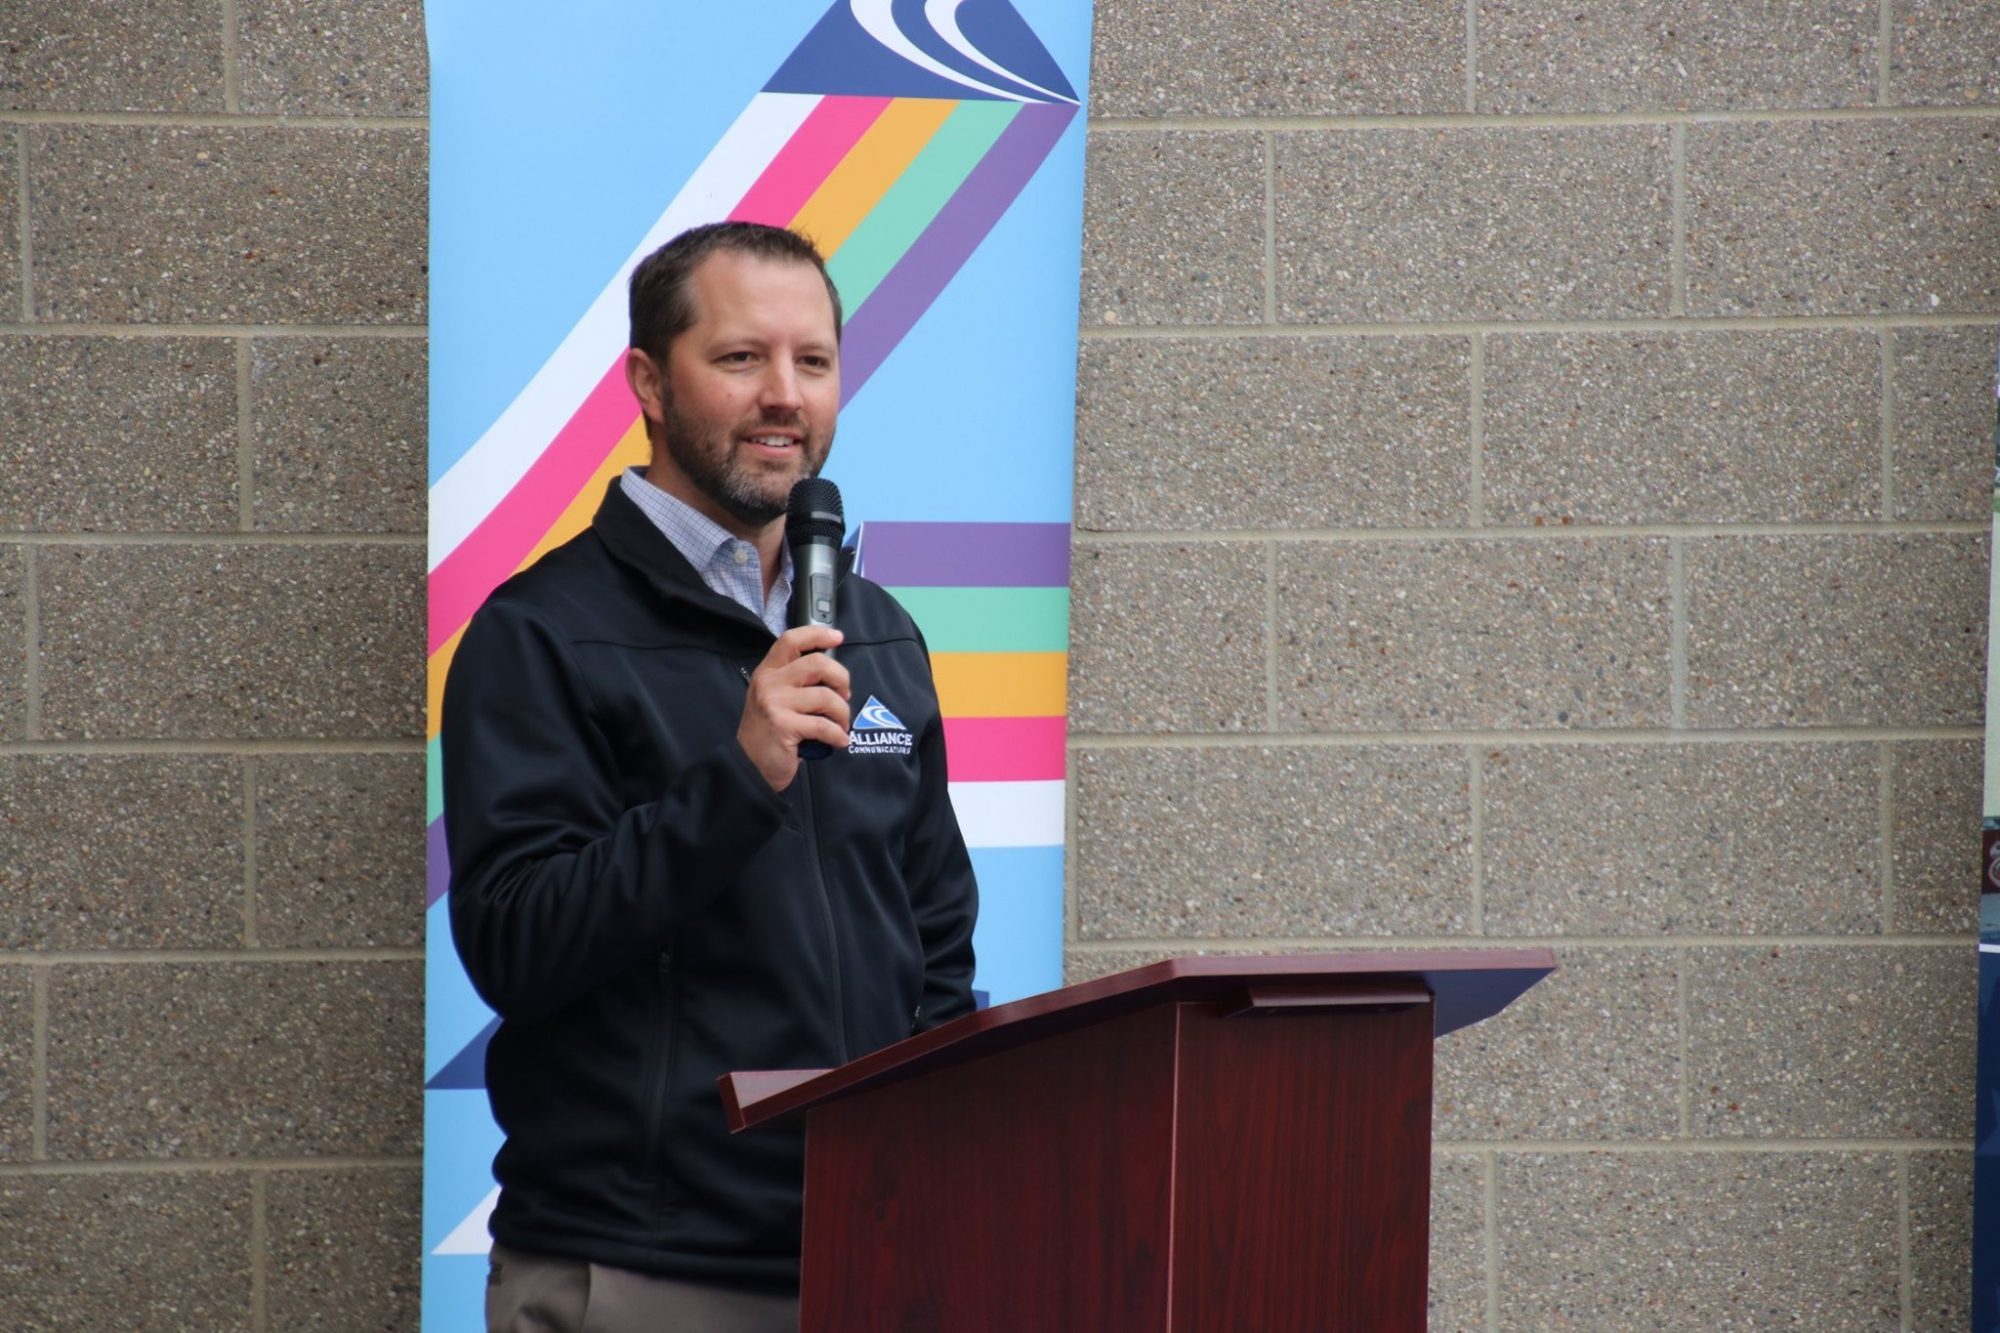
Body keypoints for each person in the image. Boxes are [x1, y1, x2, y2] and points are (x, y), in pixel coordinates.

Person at [441, 221, 979, 1333]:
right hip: (644, 1268)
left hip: (869, 1250)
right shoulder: (543, 633)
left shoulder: (876, 635)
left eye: (813, 362)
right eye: (740, 359)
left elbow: (934, 942)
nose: (783, 394)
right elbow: (517, 941)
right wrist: (737, 777)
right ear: (647, 380)